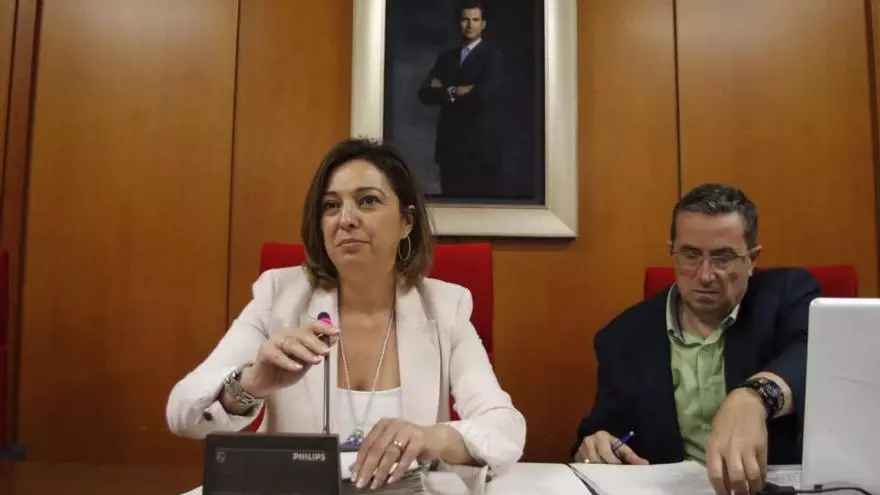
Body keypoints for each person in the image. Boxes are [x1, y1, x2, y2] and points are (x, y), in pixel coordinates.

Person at [166, 138, 525, 490]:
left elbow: (505, 429)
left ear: (407, 221)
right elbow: (182, 414)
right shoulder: (277, 296)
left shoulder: (446, 306)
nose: (346, 219)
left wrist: (429, 437)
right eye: (331, 206)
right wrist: (250, 385)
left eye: (368, 201)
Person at [572, 184, 820, 495]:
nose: (705, 275)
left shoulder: (787, 296)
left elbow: (813, 354)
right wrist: (596, 446)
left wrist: (755, 397)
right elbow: (600, 434)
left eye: (723, 257)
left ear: (752, 259)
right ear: (673, 252)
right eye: (690, 255)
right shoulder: (623, 336)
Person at [417, 0, 503, 198]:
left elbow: (483, 95)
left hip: (480, 147)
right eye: (465, 19)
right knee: (451, 202)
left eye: (475, 20)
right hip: (450, 146)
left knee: (479, 205)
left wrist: (444, 90)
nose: (470, 25)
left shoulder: (493, 57)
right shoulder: (446, 58)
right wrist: (455, 91)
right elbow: (424, 93)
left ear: (483, 24)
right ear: (458, 23)